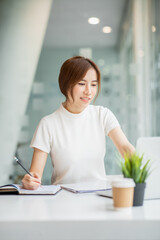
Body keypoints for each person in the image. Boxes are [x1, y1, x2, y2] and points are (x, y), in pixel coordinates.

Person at [22, 56, 135, 190]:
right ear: (66, 84)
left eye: (93, 84)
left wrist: (143, 168)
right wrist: (30, 181)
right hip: (63, 200)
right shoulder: (48, 124)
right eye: (81, 84)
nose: (89, 91)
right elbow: (35, 175)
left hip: (98, 196)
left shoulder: (102, 114)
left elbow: (125, 148)